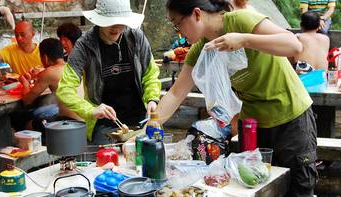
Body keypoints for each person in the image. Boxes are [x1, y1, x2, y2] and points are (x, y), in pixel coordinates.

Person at [156, 0, 316, 196]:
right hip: (252, 127)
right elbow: (175, 93)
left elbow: (294, 45)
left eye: (177, 23)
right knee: (253, 187)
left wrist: (245, 39)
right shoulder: (202, 49)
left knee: (298, 189)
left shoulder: (241, 20)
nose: (178, 32)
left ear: (197, 14)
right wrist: (153, 122)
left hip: (291, 119)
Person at [56, 0, 161, 145]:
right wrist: (91, 110)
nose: (117, 27)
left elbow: (150, 75)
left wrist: (152, 99)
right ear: (99, 20)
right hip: (104, 125)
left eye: (121, 22)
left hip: (141, 120)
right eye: (110, 22)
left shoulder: (136, 38)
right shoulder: (85, 45)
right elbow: (65, 89)